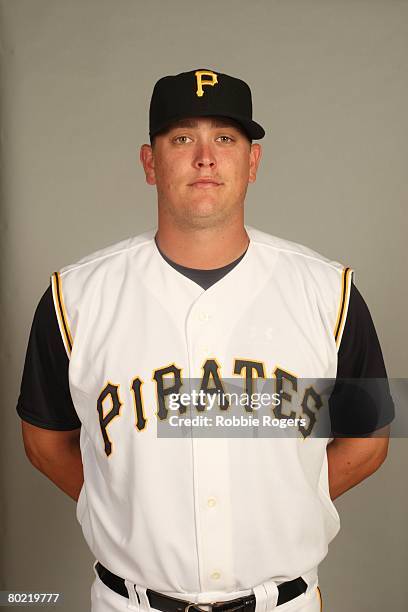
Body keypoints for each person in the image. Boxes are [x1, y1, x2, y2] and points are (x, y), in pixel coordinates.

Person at [16, 68, 394, 612]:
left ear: (253, 162)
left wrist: (284, 503)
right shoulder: (75, 296)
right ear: (150, 163)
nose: (205, 158)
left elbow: (370, 439)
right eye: (181, 138)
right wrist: (129, 510)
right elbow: (43, 442)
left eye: (225, 138)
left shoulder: (329, 290)